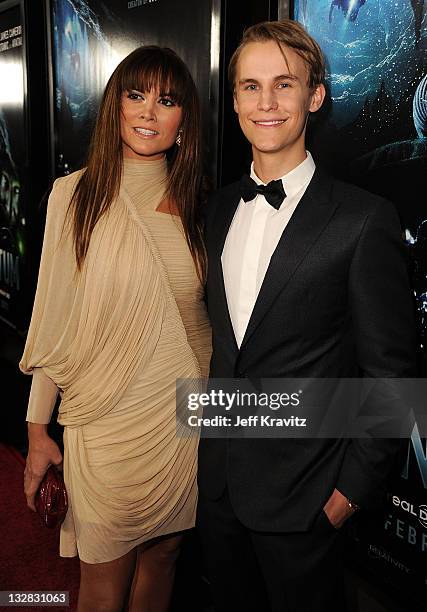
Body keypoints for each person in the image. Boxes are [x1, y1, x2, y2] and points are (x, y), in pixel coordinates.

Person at [197, 19, 417, 612]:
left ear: (314, 96)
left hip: (307, 504)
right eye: (250, 86)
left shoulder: (363, 219)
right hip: (216, 491)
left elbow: (393, 377)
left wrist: (348, 493)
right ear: (235, 99)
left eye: (284, 84)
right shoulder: (217, 210)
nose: (265, 103)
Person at [20, 45, 211, 612]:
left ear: (183, 122)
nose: (149, 111)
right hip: (104, 419)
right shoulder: (73, 196)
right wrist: (36, 431)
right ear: (115, 106)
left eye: (166, 99)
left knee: (164, 560)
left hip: (181, 417)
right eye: (136, 95)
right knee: (102, 587)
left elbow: (201, 323)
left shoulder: (199, 206)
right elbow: (53, 320)